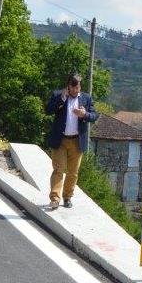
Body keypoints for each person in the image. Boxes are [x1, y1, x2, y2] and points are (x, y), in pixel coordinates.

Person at [45, 73, 98, 210]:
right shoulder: (58, 95)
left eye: (78, 88)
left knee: (73, 172)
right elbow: (48, 110)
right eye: (73, 88)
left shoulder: (86, 98)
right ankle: (55, 199)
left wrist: (84, 114)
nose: (75, 91)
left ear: (80, 87)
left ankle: (67, 197)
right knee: (58, 169)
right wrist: (61, 99)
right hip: (60, 140)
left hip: (77, 141)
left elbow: (94, 115)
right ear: (68, 87)